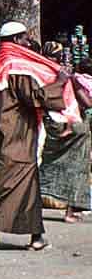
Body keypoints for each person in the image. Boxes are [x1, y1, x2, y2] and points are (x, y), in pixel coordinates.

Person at [0, 21, 92, 251]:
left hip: (14, 132)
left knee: (26, 185)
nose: (27, 44)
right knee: (5, 182)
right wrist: (61, 82)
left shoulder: (1, 63)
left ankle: (36, 236)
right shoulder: (14, 65)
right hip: (16, 134)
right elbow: (33, 97)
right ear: (15, 40)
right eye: (23, 39)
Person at [38, 44, 92, 225]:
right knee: (76, 168)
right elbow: (86, 102)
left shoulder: (37, 73)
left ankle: (32, 205)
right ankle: (70, 212)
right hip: (74, 125)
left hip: (48, 124)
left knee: (42, 166)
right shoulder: (65, 76)